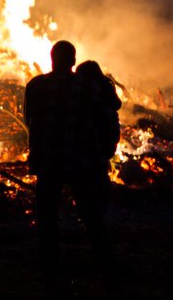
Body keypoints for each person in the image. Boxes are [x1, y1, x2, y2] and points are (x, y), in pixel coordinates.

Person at [24, 41, 118, 285]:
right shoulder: (86, 87)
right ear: (74, 61)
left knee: (46, 217)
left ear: (51, 59)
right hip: (80, 161)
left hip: (47, 162)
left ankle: (49, 268)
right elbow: (106, 114)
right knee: (90, 214)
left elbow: (29, 120)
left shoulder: (35, 86)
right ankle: (105, 264)